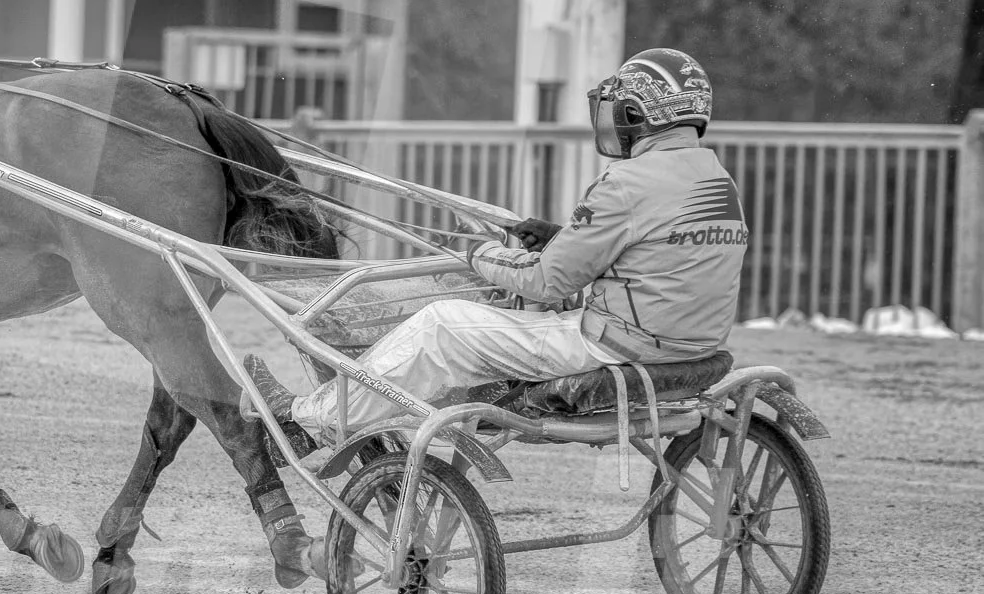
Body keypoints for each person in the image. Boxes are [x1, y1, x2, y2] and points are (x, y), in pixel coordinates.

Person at [245, 47, 748, 458]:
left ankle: (310, 422)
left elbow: (545, 283)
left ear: (636, 116)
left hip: (615, 346)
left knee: (440, 324)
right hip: (692, 344)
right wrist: (562, 238)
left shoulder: (627, 183)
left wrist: (478, 253)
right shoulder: (715, 179)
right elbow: (658, 255)